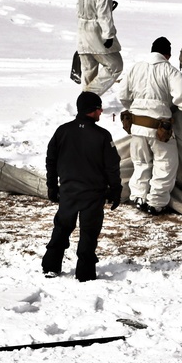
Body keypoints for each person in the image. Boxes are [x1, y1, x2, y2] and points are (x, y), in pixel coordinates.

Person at [42, 91, 123, 282]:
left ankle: (51, 266)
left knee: (61, 228)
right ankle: (85, 273)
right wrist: (115, 191)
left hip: (68, 192)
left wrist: (52, 187)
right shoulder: (102, 136)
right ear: (91, 110)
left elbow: (50, 160)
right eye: (98, 108)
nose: (101, 111)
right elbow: (112, 166)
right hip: (93, 195)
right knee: (89, 233)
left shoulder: (62, 131)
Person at [118, 36, 182, 215]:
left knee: (141, 162)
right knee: (165, 164)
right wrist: (179, 107)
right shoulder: (169, 71)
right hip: (159, 128)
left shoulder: (135, 68)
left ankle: (138, 196)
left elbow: (123, 95)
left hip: (136, 127)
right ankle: (156, 202)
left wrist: (135, 108)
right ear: (167, 54)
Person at [76, 0, 122, 96]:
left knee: (89, 70)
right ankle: (89, 97)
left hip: (82, 33)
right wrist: (108, 35)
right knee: (115, 65)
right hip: (96, 33)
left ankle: (86, 105)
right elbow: (104, 14)